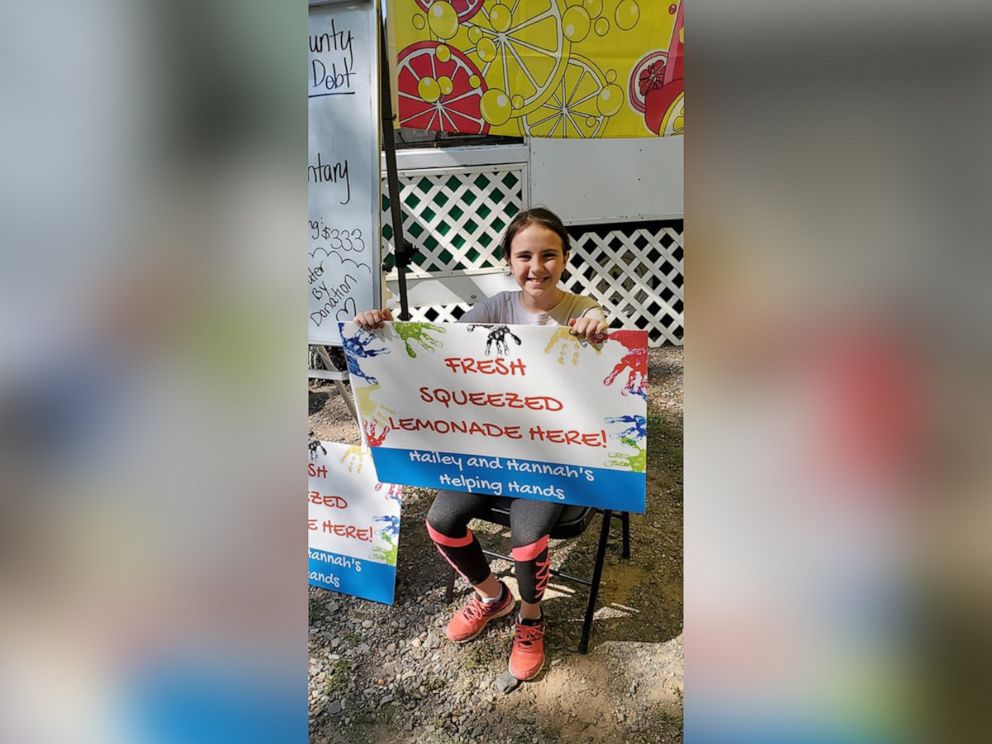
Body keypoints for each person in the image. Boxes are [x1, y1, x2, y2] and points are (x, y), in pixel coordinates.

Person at [354, 207, 608, 680]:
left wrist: (596, 326)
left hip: (552, 459)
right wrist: (382, 329)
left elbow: (599, 324)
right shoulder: (494, 309)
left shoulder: (579, 308)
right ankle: (494, 596)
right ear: (510, 262)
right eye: (525, 255)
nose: (537, 266)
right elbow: (437, 347)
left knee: (527, 540)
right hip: (490, 449)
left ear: (566, 258)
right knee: (440, 521)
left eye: (549, 255)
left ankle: (531, 620)